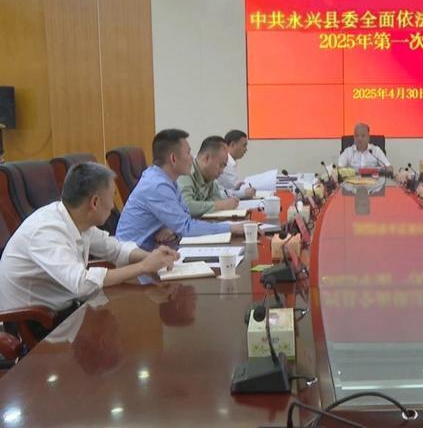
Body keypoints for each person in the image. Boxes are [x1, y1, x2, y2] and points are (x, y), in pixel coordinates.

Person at [0, 162, 178, 339]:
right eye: (112, 197)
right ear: (95, 202)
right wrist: (143, 267)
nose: (113, 206)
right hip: (35, 324)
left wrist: (151, 257)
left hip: (66, 312)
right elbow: (81, 283)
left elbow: (116, 249)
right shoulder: (45, 231)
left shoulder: (78, 221)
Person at [117, 129, 247, 252]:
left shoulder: (169, 180)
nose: (192, 158)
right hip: (136, 257)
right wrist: (231, 228)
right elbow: (186, 227)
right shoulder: (157, 185)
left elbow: (185, 216)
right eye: (188, 153)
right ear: (173, 158)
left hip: (156, 248)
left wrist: (173, 228)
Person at [177, 135, 240, 217]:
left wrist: (217, 205)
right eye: (221, 165)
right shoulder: (185, 172)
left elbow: (216, 199)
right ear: (206, 158)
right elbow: (186, 206)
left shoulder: (210, 178)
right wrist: (221, 205)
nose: (221, 172)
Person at [217, 130, 256, 199]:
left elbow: (229, 189)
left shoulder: (231, 162)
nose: (246, 149)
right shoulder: (227, 163)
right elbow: (230, 190)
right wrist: (242, 192)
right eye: (244, 145)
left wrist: (236, 189)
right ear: (232, 145)